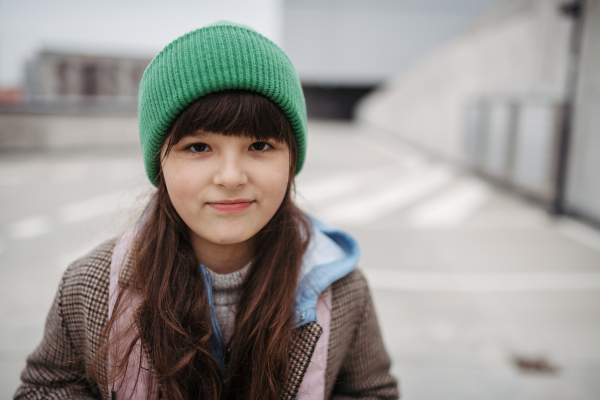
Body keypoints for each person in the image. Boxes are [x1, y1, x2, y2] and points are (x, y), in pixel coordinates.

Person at [15, 22, 399, 400]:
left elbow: (371, 392)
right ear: (159, 164)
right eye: (198, 147)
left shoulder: (340, 289)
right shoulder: (91, 285)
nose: (231, 177)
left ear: (292, 159)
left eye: (261, 145)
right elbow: (48, 387)